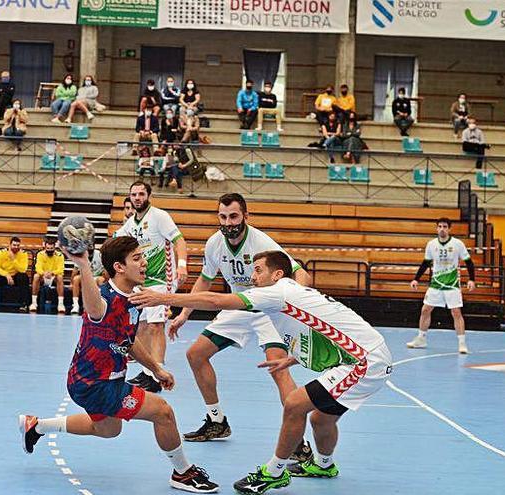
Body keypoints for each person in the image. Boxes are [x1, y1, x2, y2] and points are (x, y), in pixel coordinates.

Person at [129, 250, 393, 493]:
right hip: (364, 355)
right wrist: (292, 360)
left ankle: (274, 472)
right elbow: (322, 330)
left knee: (294, 404)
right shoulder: (290, 294)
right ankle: (323, 465)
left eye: (258, 271)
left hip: (364, 363)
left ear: (277, 274)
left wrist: (162, 297)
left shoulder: (277, 292)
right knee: (320, 419)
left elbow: (215, 299)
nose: (252, 277)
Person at [19, 236, 219, 493]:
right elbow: (95, 308)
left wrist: (155, 369)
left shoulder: (133, 298)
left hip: (91, 381)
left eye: (142, 256)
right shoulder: (105, 299)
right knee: (163, 412)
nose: (144, 263)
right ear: (119, 267)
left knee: (109, 430)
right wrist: (83, 266)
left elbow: (128, 338)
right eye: (137, 258)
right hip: (96, 384)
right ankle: (183, 473)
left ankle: (36, 426)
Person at [168, 194, 313, 463]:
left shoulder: (262, 243)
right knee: (195, 354)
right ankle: (217, 421)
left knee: (278, 370)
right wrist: (184, 314)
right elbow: (204, 280)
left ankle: (299, 444)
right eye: (223, 217)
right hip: (238, 306)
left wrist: (301, 304)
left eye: (233, 216)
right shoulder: (214, 243)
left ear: (246, 216)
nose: (228, 222)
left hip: (268, 310)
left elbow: (299, 271)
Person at [113, 181, 188, 393]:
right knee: (142, 327)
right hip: (141, 282)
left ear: (148, 195)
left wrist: (182, 265)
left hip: (162, 279)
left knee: (156, 326)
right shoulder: (130, 224)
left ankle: (158, 374)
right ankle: (148, 372)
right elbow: (116, 241)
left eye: (141, 194)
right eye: (134, 194)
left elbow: (179, 241)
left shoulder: (159, 216)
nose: (137, 198)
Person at [407, 218, 475, 354]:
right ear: (436, 228)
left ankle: (462, 343)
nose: (442, 229)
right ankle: (421, 338)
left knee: (456, 312)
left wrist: (472, 279)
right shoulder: (431, 244)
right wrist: (416, 279)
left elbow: (469, 262)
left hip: (452, 284)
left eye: (445, 226)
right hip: (436, 284)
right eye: (440, 226)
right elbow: (426, 263)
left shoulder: (457, 244)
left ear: (449, 229)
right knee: (425, 310)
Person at [0, 237, 30, 311]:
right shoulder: (2, 252)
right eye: (14, 245)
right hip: (4, 277)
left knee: (24, 277)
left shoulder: (23, 254)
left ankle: (24, 304)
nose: (16, 247)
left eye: (18, 245)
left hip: (16, 277)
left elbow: (23, 269)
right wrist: (6, 275)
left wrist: (14, 259)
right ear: (9, 245)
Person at [30, 236, 66, 313]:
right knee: (36, 276)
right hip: (43, 277)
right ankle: (34, 303)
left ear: (54, 248)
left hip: (54, 277)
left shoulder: (60, 255)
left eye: (51, 249)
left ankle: (60, 304)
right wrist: (44, 273)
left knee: (60, 277)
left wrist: (52, 273)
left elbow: (61, 269)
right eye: (48, 249)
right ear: (45, 247)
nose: (49, 250)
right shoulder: (40, 254)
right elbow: (38, 267)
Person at [70, 243, 106, 315]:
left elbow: (105, 268)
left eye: (91, 246)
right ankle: (75, 305)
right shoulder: (81, 254)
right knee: (76, 279)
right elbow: (75, 270)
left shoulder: (99, 254)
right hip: (84, 276)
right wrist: (71, 283)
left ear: (94, 246)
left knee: (102, 280)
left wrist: (105, 277)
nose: (89, 248)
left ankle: (101, 303)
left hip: (96, 276)